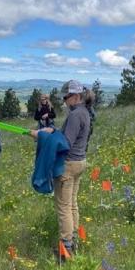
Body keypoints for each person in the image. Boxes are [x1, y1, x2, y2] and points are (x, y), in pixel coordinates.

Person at [31, 80, 94, 255]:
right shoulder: (85, 112)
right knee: (72, 204)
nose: (64, 101)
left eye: (66, 97)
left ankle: (66, 248)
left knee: (63, 207)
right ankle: (74, 240)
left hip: (69, 164)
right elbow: (66, 135)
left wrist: (41, 136)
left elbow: (64, 143)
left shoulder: (75, 115)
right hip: (80, 162)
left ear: (76, 96)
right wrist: (53, 131)